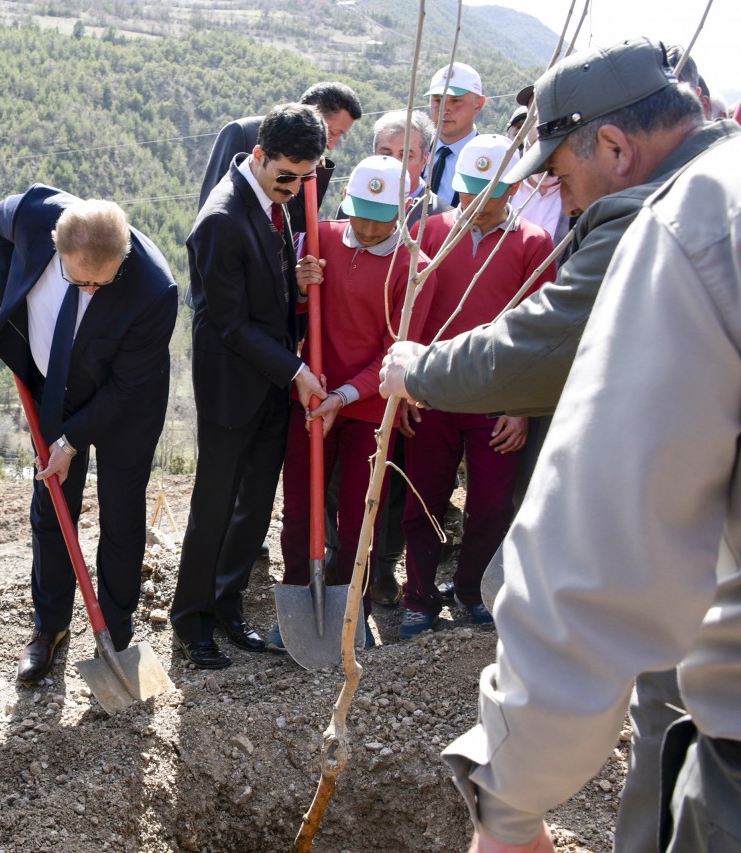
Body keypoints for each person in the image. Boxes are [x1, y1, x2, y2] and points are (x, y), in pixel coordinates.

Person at [379, 38, 739, 852]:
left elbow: (605, 542)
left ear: (615, 147)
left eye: (559, 168)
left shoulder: (683, 220)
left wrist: (507, 798)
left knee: (669, 701)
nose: (551, 187)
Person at [0, 186, 178, 684]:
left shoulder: (155, 289)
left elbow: (126, 385)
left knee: (120, 510)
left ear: (124, 257)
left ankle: (114, 628)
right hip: (55, 387)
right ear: (56, 245)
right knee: (52, 504)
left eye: (102, 283)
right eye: (79, 280)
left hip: (126, 404)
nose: (89, 290)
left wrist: (71, 442)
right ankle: (49, 627)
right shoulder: (31, 214)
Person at [171, 104, 327, 670]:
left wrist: (299, 282)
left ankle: (227, 603)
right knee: (214, 506)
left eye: (305, 177)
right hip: (232, 387)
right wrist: (295, 370)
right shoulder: (220, 218)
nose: (295, 187)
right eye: (286, 175)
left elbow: (269, 288)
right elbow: (229, 322)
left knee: (255, 504)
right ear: (258, 156)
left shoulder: (274, 201)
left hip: (271, 383)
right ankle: (191, 619)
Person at [271, 154, 433, 652]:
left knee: (361, 512)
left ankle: (350, 611)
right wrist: (298, 289)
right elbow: (289, 317)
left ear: (403, 210)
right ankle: (299, 599)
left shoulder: (414, 268)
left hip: (368, 406)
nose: (365, 226)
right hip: (311, 396)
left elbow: (397, 349)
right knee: (300, 507)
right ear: (347, 202)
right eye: (359, 212)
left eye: (379, 217)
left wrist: (346, 394)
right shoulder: (317, 241)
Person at [399, 134, 555, 639]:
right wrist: (404, 386)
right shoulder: (427, 233)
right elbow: (408, 320)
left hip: (497, 395)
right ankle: (418, 599)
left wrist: (522, 406)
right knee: (423, 496)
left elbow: (541, 333)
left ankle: (472, 591)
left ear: (511, 190)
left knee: (490, 503)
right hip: (432, 390)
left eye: (487, 196)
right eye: (467, 193)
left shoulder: (533, 243)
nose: (474, 206)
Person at [198, 81, 362, 230]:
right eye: (332, 132)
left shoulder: (313, 158)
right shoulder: (241, 132)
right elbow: (214, 203)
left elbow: (299, 221)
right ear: (314, 111)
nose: (331, 145)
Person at [424, 61, 487, 207]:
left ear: (478, 104)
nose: (444, 109)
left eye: (456, 101)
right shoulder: (413, 152)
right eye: (438, 100)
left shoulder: (488, 161)